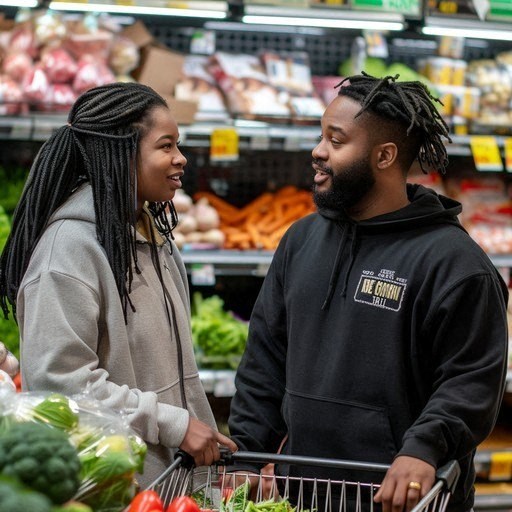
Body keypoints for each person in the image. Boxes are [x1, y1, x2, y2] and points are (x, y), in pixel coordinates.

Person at [227, 73, 509, 512]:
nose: (318, 152)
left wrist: (423, 448)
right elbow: (265, 356)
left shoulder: (456, 265)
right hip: (305, 494)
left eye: (336, 141)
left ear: (384, 155)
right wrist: (246, 448)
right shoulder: (300, 240)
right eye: (321, 136)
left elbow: (470, 381)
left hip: (408, 499)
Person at [0, 81, 237, 487]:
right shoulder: (67, 253)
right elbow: (61, 385)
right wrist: (174, 426)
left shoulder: (152, 237)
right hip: (116, 486)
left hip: (170, 481)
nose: (181, 159)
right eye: (165, 146)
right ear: (122, 150)